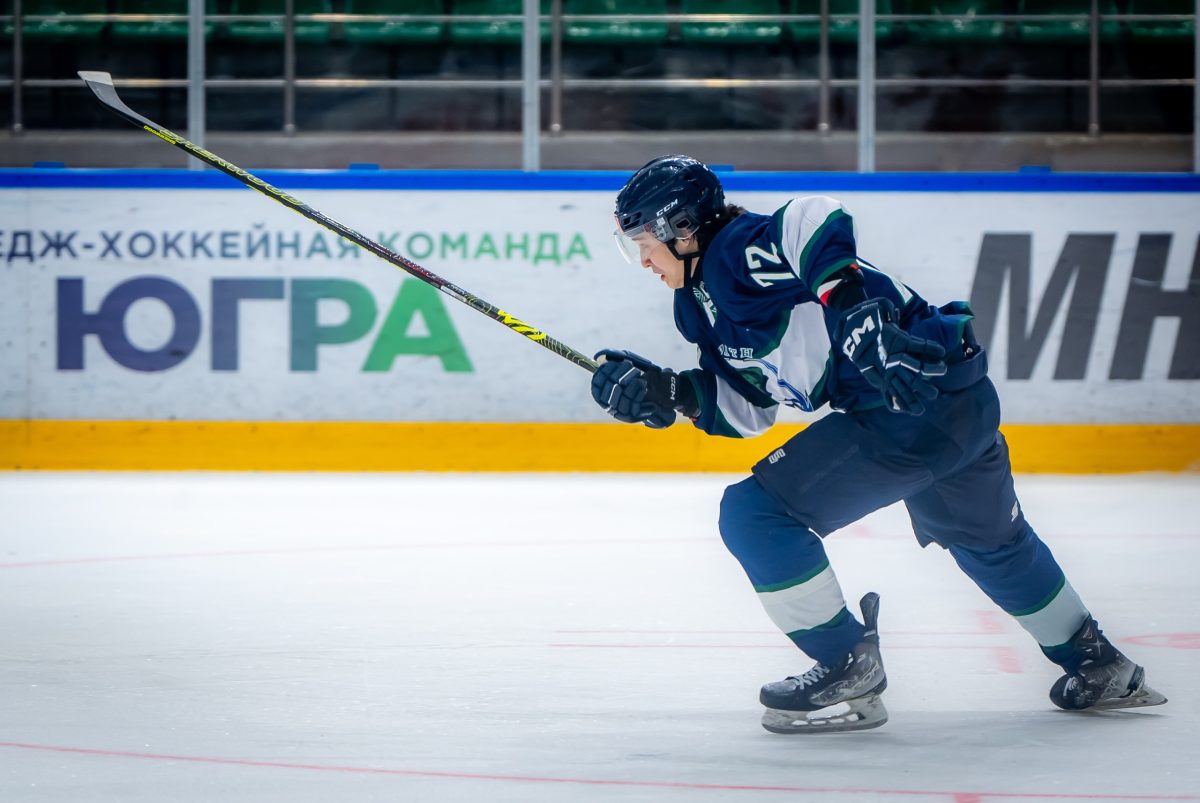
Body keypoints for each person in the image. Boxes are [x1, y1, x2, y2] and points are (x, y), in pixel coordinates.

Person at [590, 155, 1166, 734]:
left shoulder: (735, 251)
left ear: (684, 230)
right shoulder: (697, 304)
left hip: (908, 407)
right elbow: (750, 409)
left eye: (645, 244)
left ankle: (847, 664)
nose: (644, 261)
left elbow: (812, 216)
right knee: (992, 544)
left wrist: (854, 311)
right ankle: (1100, 664)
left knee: (756, 515)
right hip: (953, 402)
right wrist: (672, 393)